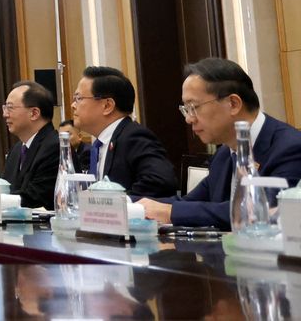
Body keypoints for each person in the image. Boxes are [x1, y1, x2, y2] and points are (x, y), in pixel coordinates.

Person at [139, 57, 301, 228]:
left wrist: (171, 213)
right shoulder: (224, 154)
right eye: (185, 110)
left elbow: (262, 213)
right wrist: (129, 203)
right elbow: (187, 202)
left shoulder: (290, 148)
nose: (188, 119)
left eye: (193, 107)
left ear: (233, 104)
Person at [70, 66, 175, 198]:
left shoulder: (133, 136)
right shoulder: (101, 143)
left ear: (107, 106)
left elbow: (161, 182)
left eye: (79, 98)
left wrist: (116, 204)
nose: (73, 105)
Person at [3, 80, 60, 209]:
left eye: (10, 108)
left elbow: (37, 199)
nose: (5, 114)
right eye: (5, 107)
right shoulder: (17, 149)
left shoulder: (56, 147)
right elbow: (7, 190)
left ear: (34, 113)